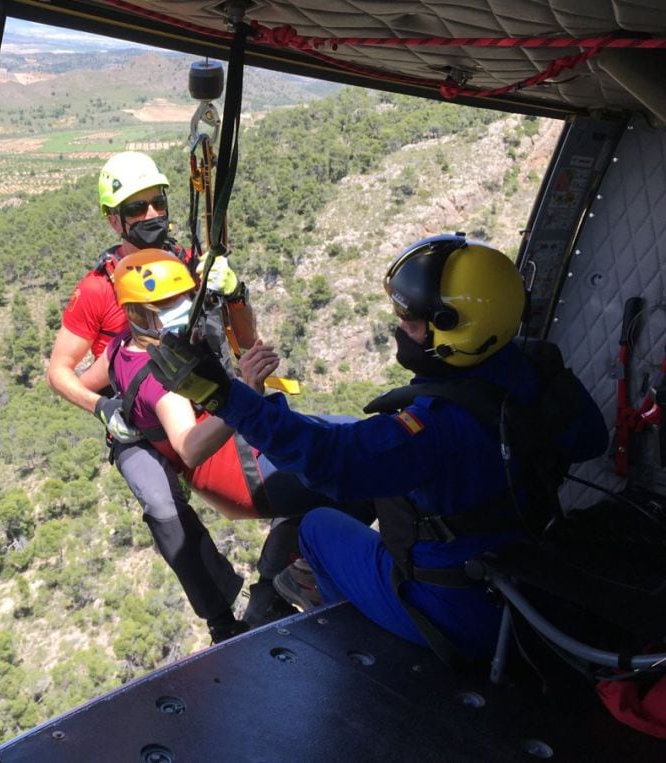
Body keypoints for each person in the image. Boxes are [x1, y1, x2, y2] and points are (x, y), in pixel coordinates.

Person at [145, 233, 609, 661]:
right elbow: (591, 438)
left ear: (451, 331)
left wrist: (226, 396)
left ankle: (359, 645)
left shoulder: (438, 427)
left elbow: (329, 460)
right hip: (531, 578)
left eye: (409, 320)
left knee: (317, 528)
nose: (398, 328)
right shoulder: (534, 369)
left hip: (461, 612)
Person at [47, 152, 268, 642]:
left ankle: (281, 574)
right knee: (162, 507)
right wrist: (104, 407)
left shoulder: (187, 263)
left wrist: (234, 294)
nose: (151, 215)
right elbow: (60, 372)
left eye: (157, 203)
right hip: (137, 417)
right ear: (114, 218)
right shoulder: (98, 290)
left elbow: (244, 338)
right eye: (136, 208)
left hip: (199, 396)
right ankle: (221, 620)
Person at [80, 249, 373, 616]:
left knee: (353, 439)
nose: (181, 308)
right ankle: (293, 574)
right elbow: (189, 448)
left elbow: (92, 379)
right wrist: (246, 394)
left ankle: (282, 568)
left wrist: (103, 406)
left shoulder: (120, 346)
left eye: (183, 298)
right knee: (369, 471)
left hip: (235, 456)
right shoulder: (164, 383)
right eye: (165, 303)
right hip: (237, 471)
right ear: (137, 312)